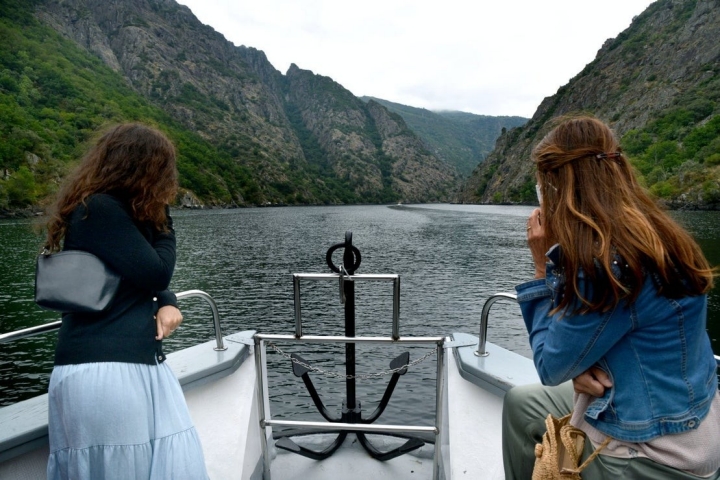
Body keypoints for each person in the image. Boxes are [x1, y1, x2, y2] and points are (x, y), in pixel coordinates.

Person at [502, 115, 720, 479]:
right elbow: (636, 328)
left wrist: (542, 268)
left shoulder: (608, 268)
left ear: (557, 185)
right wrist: (585, 365)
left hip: (655, 448)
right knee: (522, 404)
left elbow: (550, 366)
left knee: (539, 415)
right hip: (695, 419)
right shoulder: (661, 236)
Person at [43, 123, 209, 479]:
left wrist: (166, 300)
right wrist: (164, 219)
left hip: (128, 365)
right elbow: (155, 272)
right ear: (147, 169)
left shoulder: (108, 211)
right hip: (105, 371)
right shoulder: (100, 210)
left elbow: (134, 274)